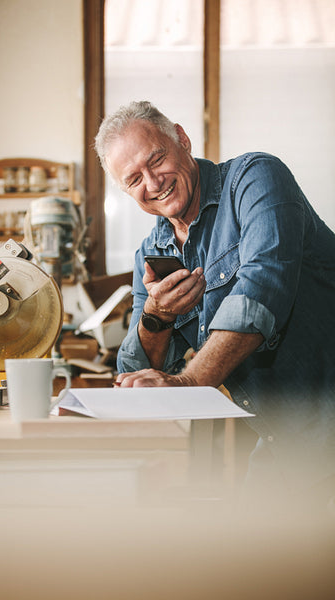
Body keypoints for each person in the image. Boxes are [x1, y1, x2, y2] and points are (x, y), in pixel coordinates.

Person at [95, 100, 335, 507]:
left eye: (156, 160)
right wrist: (158, 316)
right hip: (287, 437)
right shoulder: (149, 252)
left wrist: (187, 382)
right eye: (134, 179)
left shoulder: (255, 178)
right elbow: (136, 374)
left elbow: (261, 292)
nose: (153, 184)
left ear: (182, 139)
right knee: (253, 557)